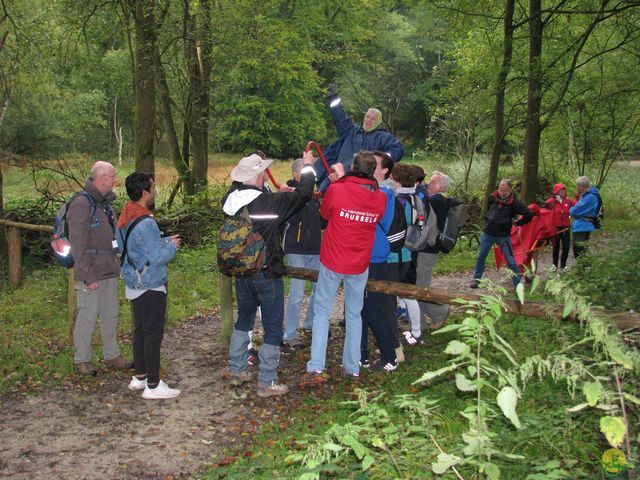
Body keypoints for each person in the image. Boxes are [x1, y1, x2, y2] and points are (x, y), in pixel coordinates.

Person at [222, 152, 316, 397]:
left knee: (244, 319)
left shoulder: (229, 200)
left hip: (242, 271)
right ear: (257, 175)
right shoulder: (268, 203)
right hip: (265, 272)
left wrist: (277, 194)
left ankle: (237, 370)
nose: (266, 173)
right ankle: (266, 381)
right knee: (273, 326)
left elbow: (253, 196)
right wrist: (307, 167)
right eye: (262, 170)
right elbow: (304, 194)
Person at [301, 151, 387, 386]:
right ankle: (352, 367)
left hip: (333, 260)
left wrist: (338, 182)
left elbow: (325, 213)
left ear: (352, 166)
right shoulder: (380, 198)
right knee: (354, 313)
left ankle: (316, 366)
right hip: (359, 264)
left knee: (321, 312)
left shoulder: (337, 190)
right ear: (371, 172)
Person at [116, 172, 181, 399]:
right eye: (153, 187)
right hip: (150, 283)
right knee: (153, 333)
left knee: (140, 331)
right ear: (145, 192)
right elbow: (156, 258)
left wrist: (164, 241)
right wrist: (172, 248)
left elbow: (136, 247)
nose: (155, 190)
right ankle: (154, 385)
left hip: (134, 281)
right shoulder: (147, 221)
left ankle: (140, 375)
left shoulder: (126, 213)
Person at [67, 161, 131, 376]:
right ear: (101, 178)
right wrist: (86, 275)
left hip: (109, 270)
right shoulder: (82, 203)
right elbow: (77, 242)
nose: (115, 181)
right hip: (91, 273)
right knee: (87, 316)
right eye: (112, 176)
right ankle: (81, 360)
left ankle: (112, 355)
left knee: (110, 315)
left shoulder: (104, 204)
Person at [315, 84, 404, 190]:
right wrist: (333, 97)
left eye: (373, 119)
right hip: (336, 176)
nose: (368, 120)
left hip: (363, 182)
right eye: (367, 117)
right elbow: (340, 116)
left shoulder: (384, 137)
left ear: (379, 121)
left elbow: (398, 150)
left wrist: (381, 159)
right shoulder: (351, 130)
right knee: (324, 194)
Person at [359, 151, 398, 372]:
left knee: (373, 307)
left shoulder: (385, 193)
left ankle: (389, 356)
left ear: (385, 170)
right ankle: (361, 354)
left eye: (375, 164)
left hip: (374, 255)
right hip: (363, 254)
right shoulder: (372, 191)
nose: (370, 166)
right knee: (358, 308)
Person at [282, 159, 323, 349]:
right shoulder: (289, 194)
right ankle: (290, 334)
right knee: (297, 294)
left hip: (315, 249)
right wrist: (301, 196)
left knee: (319, 291)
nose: (311, 177)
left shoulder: (316, 195)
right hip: (295, 248)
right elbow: (291, 218)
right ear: (296, 174)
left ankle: (310, 324)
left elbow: (323, 221)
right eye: (308, 173)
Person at [410, 171, 451, 340]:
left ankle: (440, 311)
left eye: (432, 183)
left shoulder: (437, 200)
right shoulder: (435, 199)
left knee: (420, 287)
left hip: (428, 251)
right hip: (424, 249)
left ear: (441, 187)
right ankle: (421, 322)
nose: (428, 185)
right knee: (417, 286)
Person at [471, 179, 533, 288]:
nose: (501, 192)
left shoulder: (515, 203)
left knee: (510, 260)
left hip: (503, 236)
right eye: (500, 189)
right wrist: (488, 219)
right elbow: (488, 210)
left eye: (504, 190)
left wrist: (519, 223)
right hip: (488, 233)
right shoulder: (493, 197)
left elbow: (529, 214)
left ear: (510, 190)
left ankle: (517, 283)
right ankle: (476, 279)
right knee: (481, 256)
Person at [387, 163, 419, 357]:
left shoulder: (400, 201)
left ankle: (399, 340)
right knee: (407, 294)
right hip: (407, 253)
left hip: (397, 254)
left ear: (397, 179)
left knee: (395, 296)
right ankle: (416, 331)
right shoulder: (413, 197)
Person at [545, 183, 576, 271]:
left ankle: (563, 266)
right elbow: (543, 211)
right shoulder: (551, 202)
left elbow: (578, 206)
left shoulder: (568, 200)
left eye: (563, 189)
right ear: (556, 192)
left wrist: (578, 197)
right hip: (555, 229)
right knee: (556, 247)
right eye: (560, 190)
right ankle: (554, 265)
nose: (563, 191)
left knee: (566, 247)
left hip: (566, 228)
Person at [570, 176, 600, 259]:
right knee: (579, 248)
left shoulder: (590, 197)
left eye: (577, 185)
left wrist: (571, 209)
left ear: (581, 186)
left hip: (583, 226)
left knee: (580, 249)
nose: (577, 188)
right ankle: (583, 269)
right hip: (582, 225)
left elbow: (574, 211)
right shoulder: (587, 196)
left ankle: (584, 269)